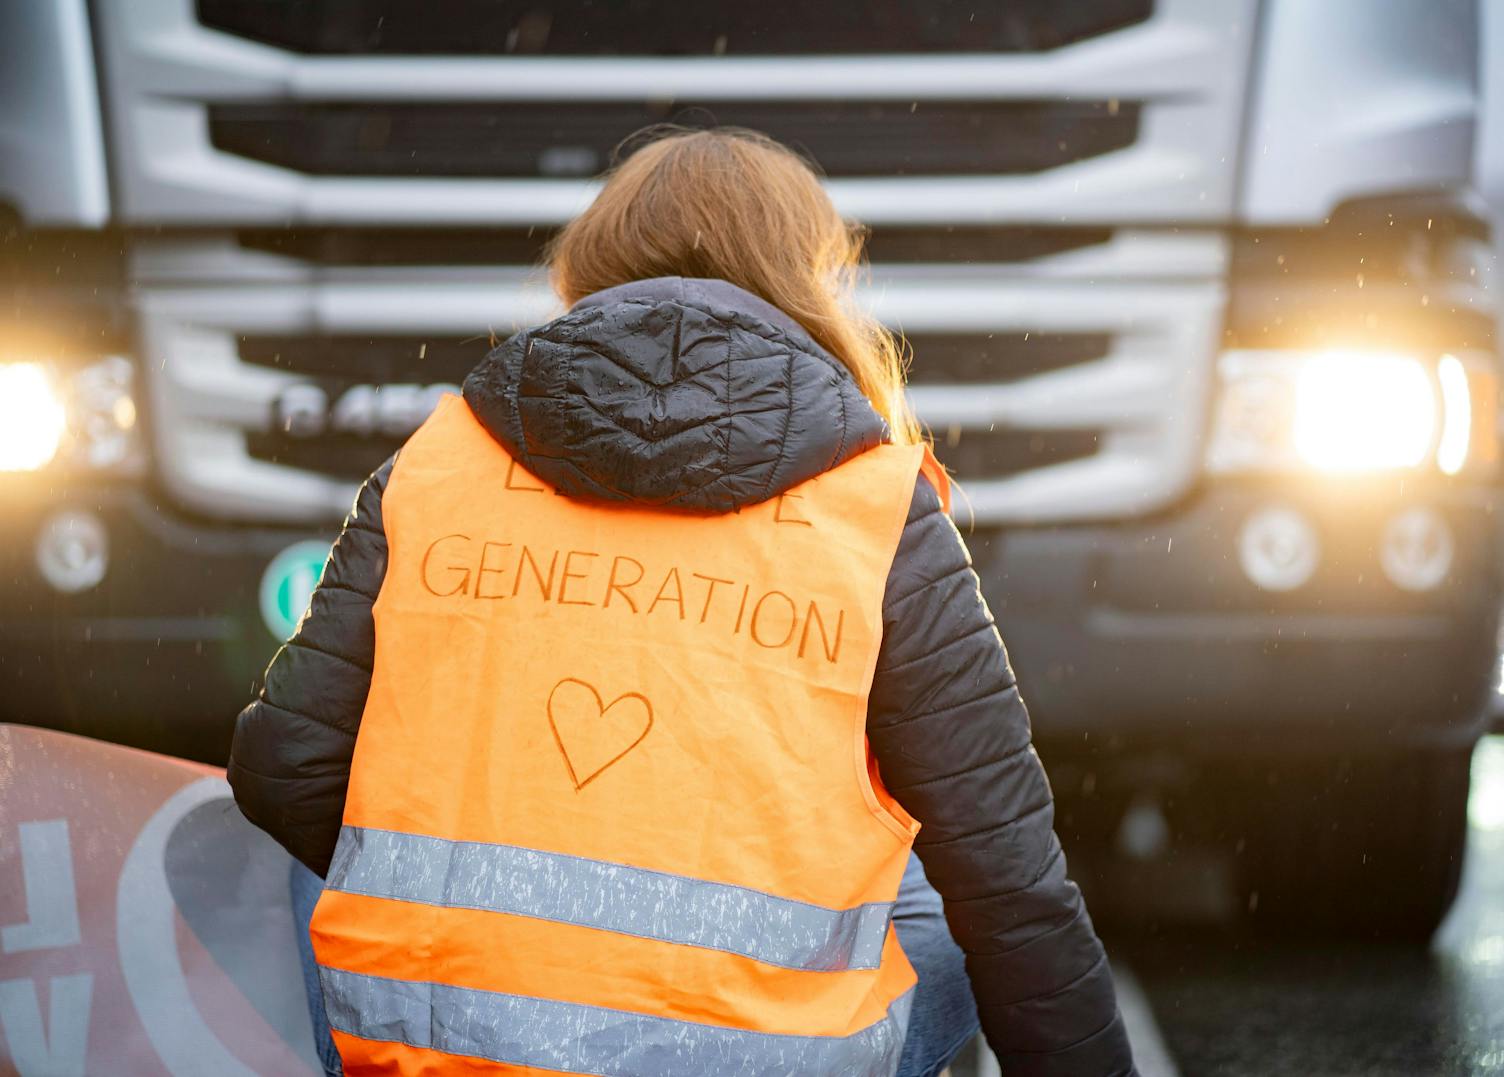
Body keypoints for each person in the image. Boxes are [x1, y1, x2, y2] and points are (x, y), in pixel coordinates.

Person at [230, 126, 1136, 1077]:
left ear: (594, 262)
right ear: (805, 277)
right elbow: (1015, 888)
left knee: (331, 868)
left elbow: (282, 761)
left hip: (440, 1055)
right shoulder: (875, 505)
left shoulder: (439, 460)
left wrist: (479, 913)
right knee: (934, 889)